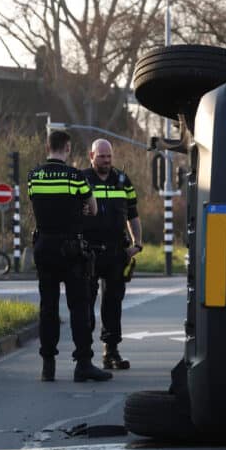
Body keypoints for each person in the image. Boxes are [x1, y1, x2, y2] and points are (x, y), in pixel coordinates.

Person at [29, 130, 111, 383]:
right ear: (67, 148)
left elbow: (39, 205)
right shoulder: (75, 176)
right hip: (71, 249)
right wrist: (78, 209)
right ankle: (83, 363)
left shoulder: (34, 176)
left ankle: (48, 366)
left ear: (47, 147)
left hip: (44, 246)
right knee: (79, 306)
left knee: (48, 307)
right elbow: (93, 209)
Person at [82, 139, 142, 370]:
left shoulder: (122, 180)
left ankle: (111, 352)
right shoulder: (82, 179)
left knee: (113, 303)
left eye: (109, 156)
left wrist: (137, 244)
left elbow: (133, 214)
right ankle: (85, 355)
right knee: (85, 302)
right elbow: (70, 212)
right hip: (89, 251)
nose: (106, 161)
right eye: (101, 156)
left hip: (117, 251)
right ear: (91, 155)